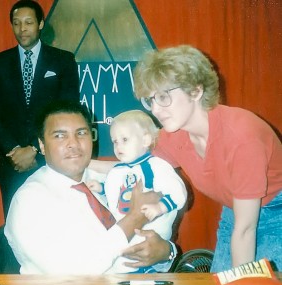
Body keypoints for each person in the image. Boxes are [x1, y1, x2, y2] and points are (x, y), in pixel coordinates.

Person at [91, 45, 282, 272]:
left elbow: (245, 229)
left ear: (195, 91)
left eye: (163, 96)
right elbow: (128, 167)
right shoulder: (174, 135)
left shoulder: (241, 137)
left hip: (276, 214)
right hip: (236, 207)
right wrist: (79, 165)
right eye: (150, 100)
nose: (155, 109)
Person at [4, 100, 177, 275]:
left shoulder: (112, 178)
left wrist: (165, 252)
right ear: (42, 145)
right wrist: (135, 218)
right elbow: (74, 272)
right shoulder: (30, 200)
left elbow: (160, 230)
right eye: (60, 136)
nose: (74, 143)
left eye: (81, 133)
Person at [0, 0, 80, 218]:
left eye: (28, 22)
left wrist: (35, 148)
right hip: (13, 164)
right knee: (16, 228)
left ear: (41, 24)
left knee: (55, 224)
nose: (22, 29)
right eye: (16, 23)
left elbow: (67, 110)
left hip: (51, 160)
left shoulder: (63, 60)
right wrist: (14, 150)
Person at [87, 110, 187, 273]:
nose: (118, 146)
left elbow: (178, 192)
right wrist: (101, 188)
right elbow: (117, 191)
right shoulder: (118, 170)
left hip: (150, 235)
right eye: (115, 141)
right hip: (126, 236)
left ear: (146, 139)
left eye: (125, 139)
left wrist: (160, 207)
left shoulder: (156, 166)